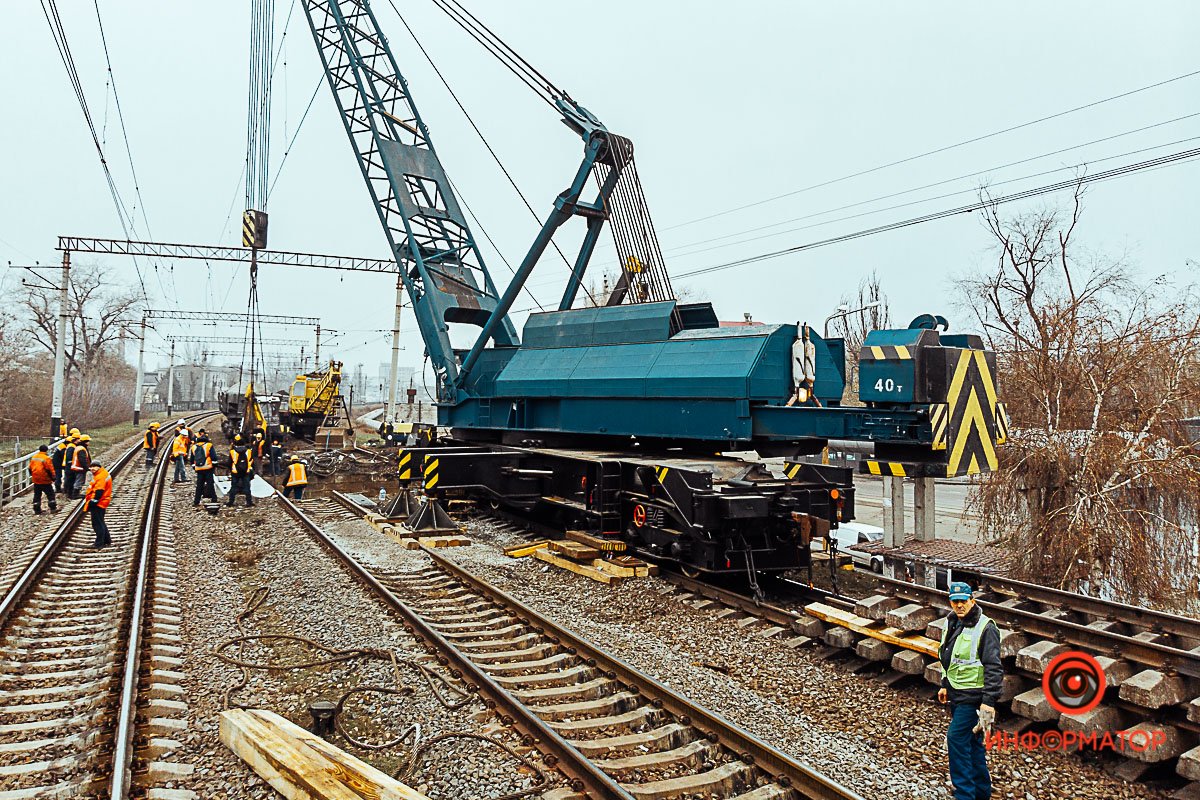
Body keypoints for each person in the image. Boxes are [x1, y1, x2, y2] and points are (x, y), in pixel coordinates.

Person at [938, 581, 1002, 800]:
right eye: (955, 602)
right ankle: (981, 794)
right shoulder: (952, 622)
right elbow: (948, 657)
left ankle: (964, 795)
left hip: (973, 698)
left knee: (956, 739)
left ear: (972, 601)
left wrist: (988, 702)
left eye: (963, 601)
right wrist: (945, 684)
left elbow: (994, 667)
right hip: (957, 694)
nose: (959, 605)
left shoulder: (986, 628)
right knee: (973, 746)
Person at [84, 461, 113, 548]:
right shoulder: (101, 474)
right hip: (102, 501)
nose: (92, 469)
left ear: (99, 467)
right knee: (101, 521)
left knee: (97, 523)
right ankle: (107, 540)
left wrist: (93, 502)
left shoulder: (100, 476)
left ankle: (99, 543)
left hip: (99, 502)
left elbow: (99, 491)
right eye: (91, 467)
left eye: (94, 467)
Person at [226, 434, 255, 508]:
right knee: (247, 487)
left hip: (235, 472)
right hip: (246, 471)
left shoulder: (232, 452)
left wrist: (231, 469)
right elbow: (252, 461)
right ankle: (249, 502)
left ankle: (231, 502)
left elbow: (229, 463)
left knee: (233, 487)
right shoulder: (248, 451)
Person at [29, 444, 58, 515]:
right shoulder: (47, 458)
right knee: (50, 494)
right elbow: (50, 469)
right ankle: (53, 508)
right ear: (46, 450)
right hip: (45, 480)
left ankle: (37, 509)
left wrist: (33, 476)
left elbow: (30, 468)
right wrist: (53, 478)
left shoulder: (34, 457)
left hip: (36, 480)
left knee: (37, 495)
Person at [191, 431, 217, 507]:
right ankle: (214, 499)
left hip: (199, 469)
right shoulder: (209, 445)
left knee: (199, 485)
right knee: (210, 484)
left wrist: (194, 467)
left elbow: (192, 460)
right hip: (208, 468)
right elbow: (214, 457)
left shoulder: (194, 447)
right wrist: (214, 466)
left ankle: (196, 501)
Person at [69, 434, 92, 499]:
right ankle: (75, 494)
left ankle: (76, 493)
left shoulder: (79, 447)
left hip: (77, 467)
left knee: (79, 480)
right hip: (79, 468)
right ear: (85, 441)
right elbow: (82, 460)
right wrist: (87, 468)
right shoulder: (81, 449)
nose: (89, 443)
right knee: (79, 481)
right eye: (88, 441)